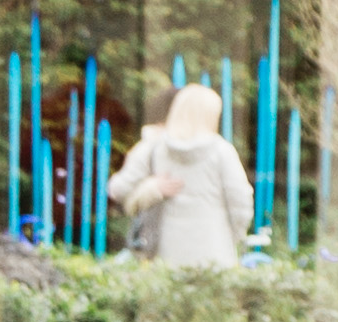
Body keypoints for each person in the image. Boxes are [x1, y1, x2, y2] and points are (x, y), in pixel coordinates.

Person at [108, 82, 253, 269]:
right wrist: (233, 236)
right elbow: (241, 203)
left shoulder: (155, 148)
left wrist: (150, 189)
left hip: (165, 257)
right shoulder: (222, 151)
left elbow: (118, 189)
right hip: (216, 255)